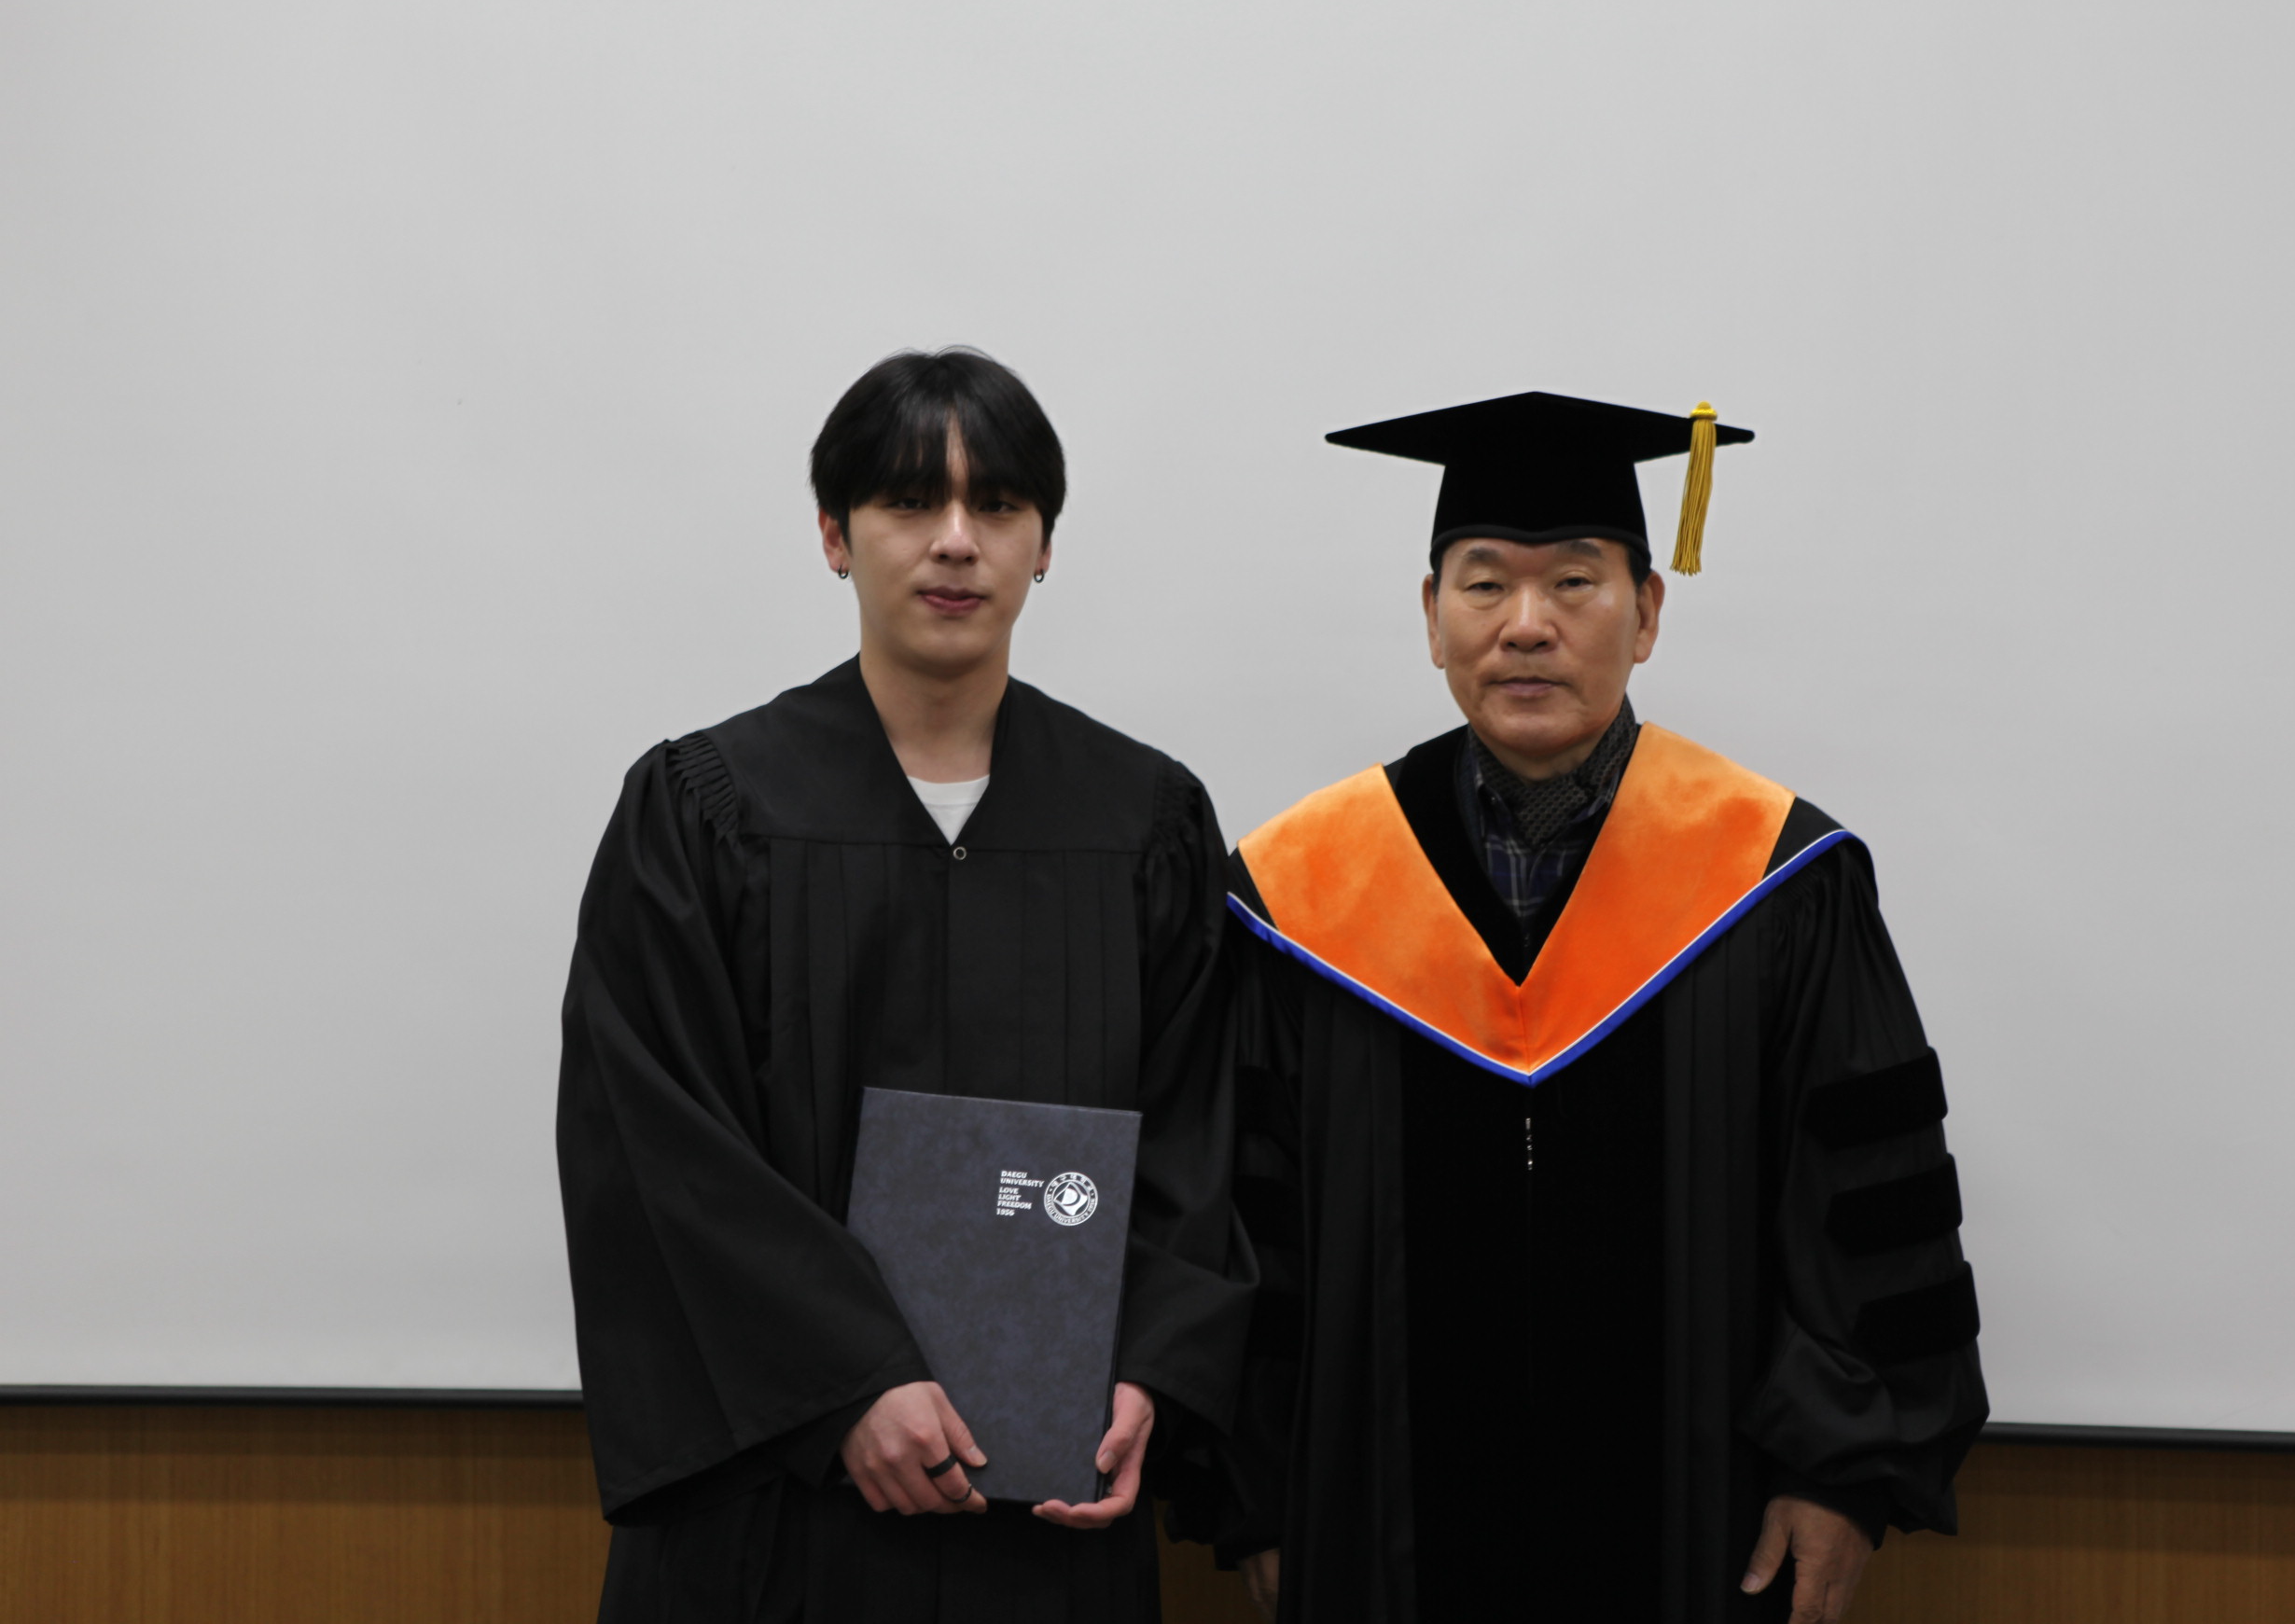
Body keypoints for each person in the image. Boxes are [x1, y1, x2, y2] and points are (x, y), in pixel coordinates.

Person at [1193, 392, 1988, 1624]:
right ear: (1431, 616)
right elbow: (1250, 1219)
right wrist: (1263, 1496)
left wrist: (1839, 1473)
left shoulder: (1778, 879)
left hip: (1704, 1525)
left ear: (1647, 612)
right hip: (1380, 1526)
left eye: (1574, 582)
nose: (1528, 625)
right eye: (1484, 585)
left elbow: (1863, 1215)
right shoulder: (1302, 894)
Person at [557, 347, 1252, 1622]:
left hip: (1050, 1522)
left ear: (1044, 545)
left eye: (998, 505)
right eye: (908, 503)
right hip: (779, 1514)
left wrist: (1149, 1369)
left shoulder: (1145, 821)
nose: (956, 542)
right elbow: (656, 1147)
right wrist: (849, 1382)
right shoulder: (705, 811)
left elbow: (1201, 1134)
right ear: (835, 534)